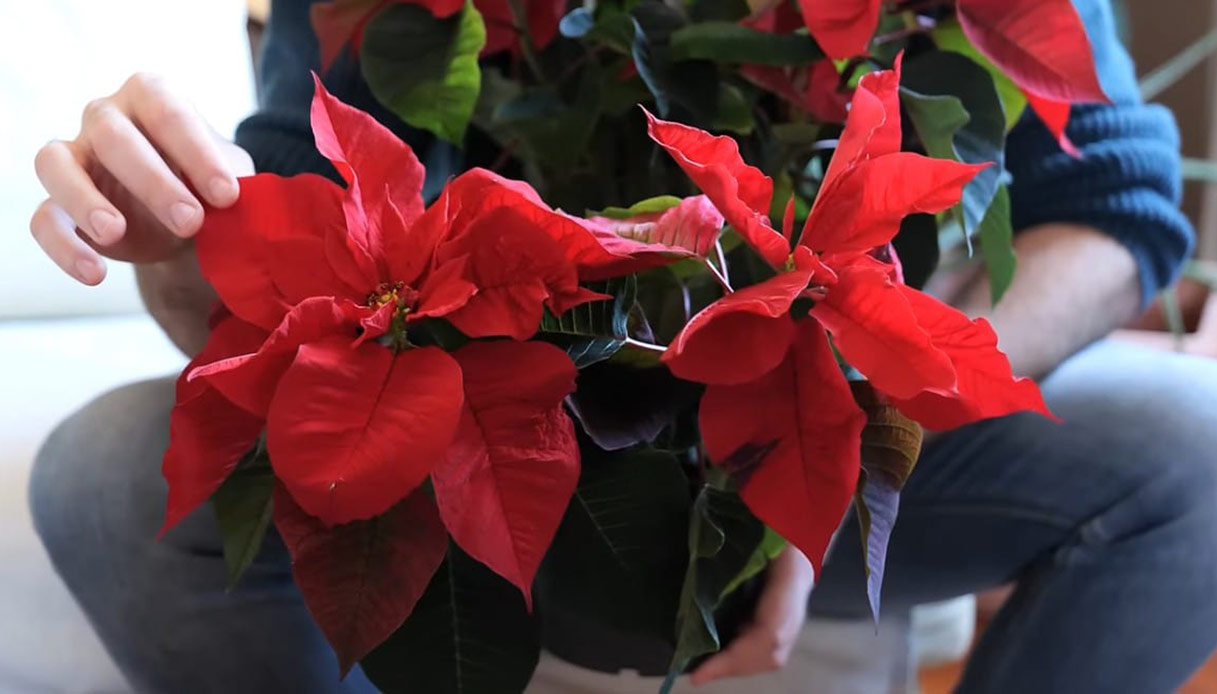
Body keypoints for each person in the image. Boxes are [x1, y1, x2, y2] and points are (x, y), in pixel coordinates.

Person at [26, 0, 1217, 691]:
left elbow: (1111, 210)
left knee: (1197, 455)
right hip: (505, 412)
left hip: (809, 388)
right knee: (104, 473)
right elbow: (297, 253)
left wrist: (851, 418)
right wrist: (177, 241)